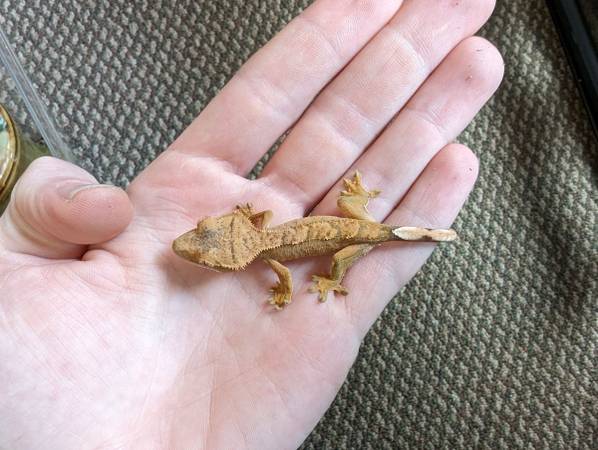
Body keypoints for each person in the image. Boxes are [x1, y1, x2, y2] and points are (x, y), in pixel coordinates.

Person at [0, 0, 503, 448]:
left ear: (234, 257)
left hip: (351, 236)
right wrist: (299, 228)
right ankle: (386, 232)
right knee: (357, 232)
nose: (192, 247)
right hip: (347, 221)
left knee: (354, 250)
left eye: (202, 248)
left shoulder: (269, 259)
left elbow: (284, 274)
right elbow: (268, 244)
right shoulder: (262, 246)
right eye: (202, 246)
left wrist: (323, 279)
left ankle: (384, 247)